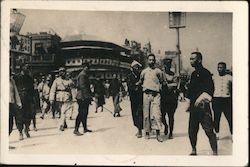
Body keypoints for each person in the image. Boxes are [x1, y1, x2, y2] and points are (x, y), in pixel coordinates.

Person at [186, 52, 218, 155]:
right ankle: (193, 150)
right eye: (190, 58)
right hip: (194, 108)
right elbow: (190, 91)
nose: (190, 60)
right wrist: (188, 101)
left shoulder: (206, 73)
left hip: (203, 108)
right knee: (192, 130)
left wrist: (200, 100)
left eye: (192, 59)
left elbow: (209, 90)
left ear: (199, 60)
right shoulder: (193, 74)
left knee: (209, 130)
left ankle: (215, 152)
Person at [137, 54, 166, 142]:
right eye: (149, 60)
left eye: (153, 60)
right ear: (147, 61)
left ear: (155, 61)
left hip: (156, 95)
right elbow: (140, 81)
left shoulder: (158, 71)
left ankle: (158, 134)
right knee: (146, 114)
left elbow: (162, 82)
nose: (151, 61)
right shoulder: (144, 72)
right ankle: (147, 132)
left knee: (157, 114)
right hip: (146, 94)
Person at [212, 62, 232, 140]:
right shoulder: (214, 77)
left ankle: (233, 134)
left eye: (222, 67)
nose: (220, 69)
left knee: (230, 118)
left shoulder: (230, 78)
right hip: (217, 100)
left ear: (225, 68)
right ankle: (217, 134)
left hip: (226, 100)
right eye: (219, 67)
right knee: (217, 118)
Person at [14, 64, 35, 139]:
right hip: (19, 98)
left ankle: (26, 129)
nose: (27, 68)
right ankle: (20, 132)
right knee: (19, 116)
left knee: (28, 115)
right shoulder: (16, 77)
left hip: (28, 99)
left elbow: (32, 89)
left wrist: (32, 99)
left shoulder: (29, 78)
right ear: (22, 68)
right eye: (26, 67)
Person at [161, 58, 179, 139]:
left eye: (168, 65)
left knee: (171, 116)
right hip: (163, 98)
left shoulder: (174, 74)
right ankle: (165, 126)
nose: (167, 66)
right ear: (164, 65)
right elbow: (159, 84)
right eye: (166, 65)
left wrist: (167, 85)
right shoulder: (161, 74)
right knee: (162, 116)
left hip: (171, 98)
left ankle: (171, 132)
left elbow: (175, 85)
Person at [74, 63, 93, 136]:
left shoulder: (84, 74)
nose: (88, 69)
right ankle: (76, 129)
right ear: (84, 67)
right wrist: (88, 96)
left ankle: (85, 128)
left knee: (85, 113)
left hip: (84, 96)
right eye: (87, 67)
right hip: (82, 97)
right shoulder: (82, 75)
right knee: (81, 113)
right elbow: (83, 87)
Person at [126, 60, 143, 138]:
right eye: (135, 67)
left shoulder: (141, 75)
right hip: (133, 98)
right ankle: (138, 128)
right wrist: (137, 85)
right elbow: (130, 86)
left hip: (141, 98)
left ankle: (140, 130)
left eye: (138, 67)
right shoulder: (129, 76)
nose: (137, 69)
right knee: (134, 114)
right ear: (132, 68)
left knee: (140, 113)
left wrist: (138, 85)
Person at [9, 71, 22, 138]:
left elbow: (16, 92)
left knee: (10, 123)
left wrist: (18, 102)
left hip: (12, 103)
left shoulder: (12, 81)